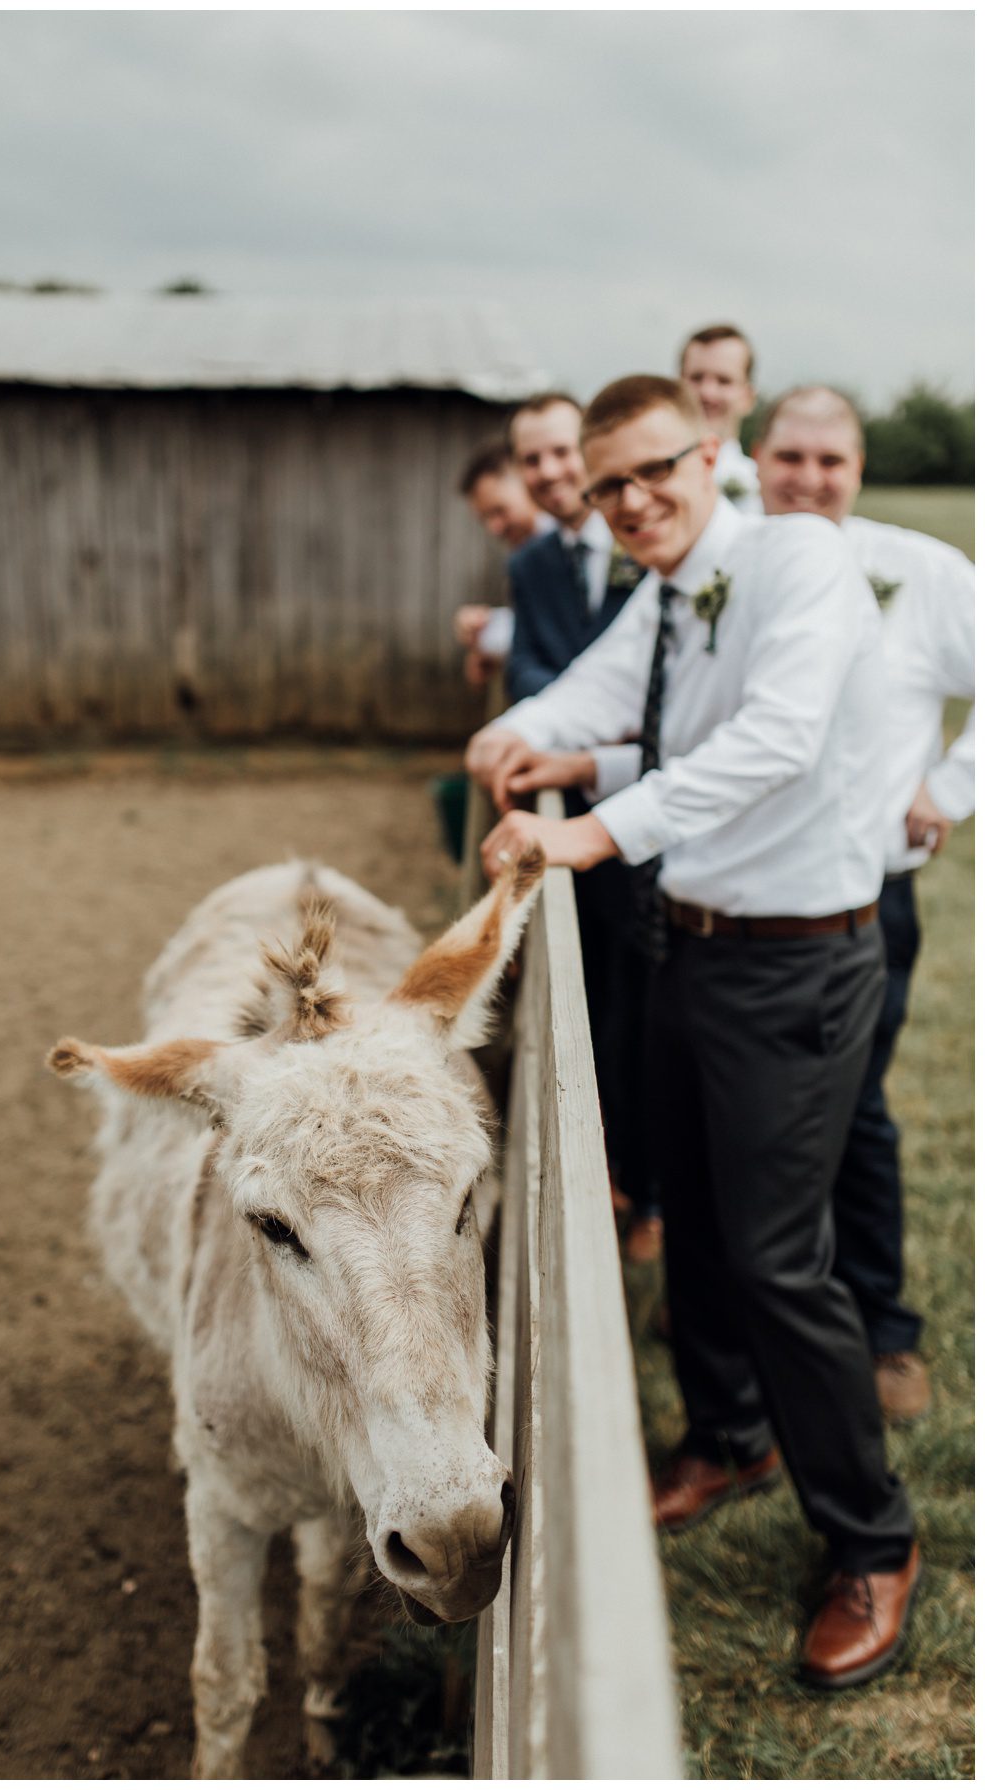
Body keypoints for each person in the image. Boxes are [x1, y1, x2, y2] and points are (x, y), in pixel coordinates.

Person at [467, 374, 918, 1688]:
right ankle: (728, 1432)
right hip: (689, 950)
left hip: (801, 963)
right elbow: (595, 698)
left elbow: (777, 737)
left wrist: (588, 829)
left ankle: (872, 1541)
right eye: (610, 485)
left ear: (713, 453)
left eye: (656, 469)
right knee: (696, 1223)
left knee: (782, 1259)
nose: (634, 500)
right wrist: (514, 735)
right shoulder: (665, 591)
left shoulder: (797, 560)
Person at [753, 384, 975, 1423]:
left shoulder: (921, 573)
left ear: (859, 467)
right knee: (759, 1113)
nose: (806, 479)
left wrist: (952, 786)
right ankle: (761, 1312)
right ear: (756, 458)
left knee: (854, 1109)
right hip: (749, 894)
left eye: (829, 461)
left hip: (867, 898)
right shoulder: (731, 563)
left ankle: (883, 1328)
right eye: (789, 457)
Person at [503, 391, 660, 1260]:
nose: (554, 473)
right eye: (535, 460)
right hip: (581, 822)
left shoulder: (649, 548)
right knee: (595, 996)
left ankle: (653, 1194)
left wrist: (580, 717)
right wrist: (572, 713)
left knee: (653, 1011)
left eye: (564, 454)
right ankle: (611, 1178)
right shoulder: (531, 565)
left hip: (658, 822)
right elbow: (529, 667)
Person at [453, 441, 552, 687]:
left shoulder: (569, 546)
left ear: (526, 483)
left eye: (499, 510)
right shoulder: (524, 559)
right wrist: (487, 634)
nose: (494, 528)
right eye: (485, 518)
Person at [679, 324, 762, 512]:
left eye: (724, 381)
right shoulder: (641, 478)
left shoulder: (762, 485)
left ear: (748, 398)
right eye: (696, 378)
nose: (707, 393)